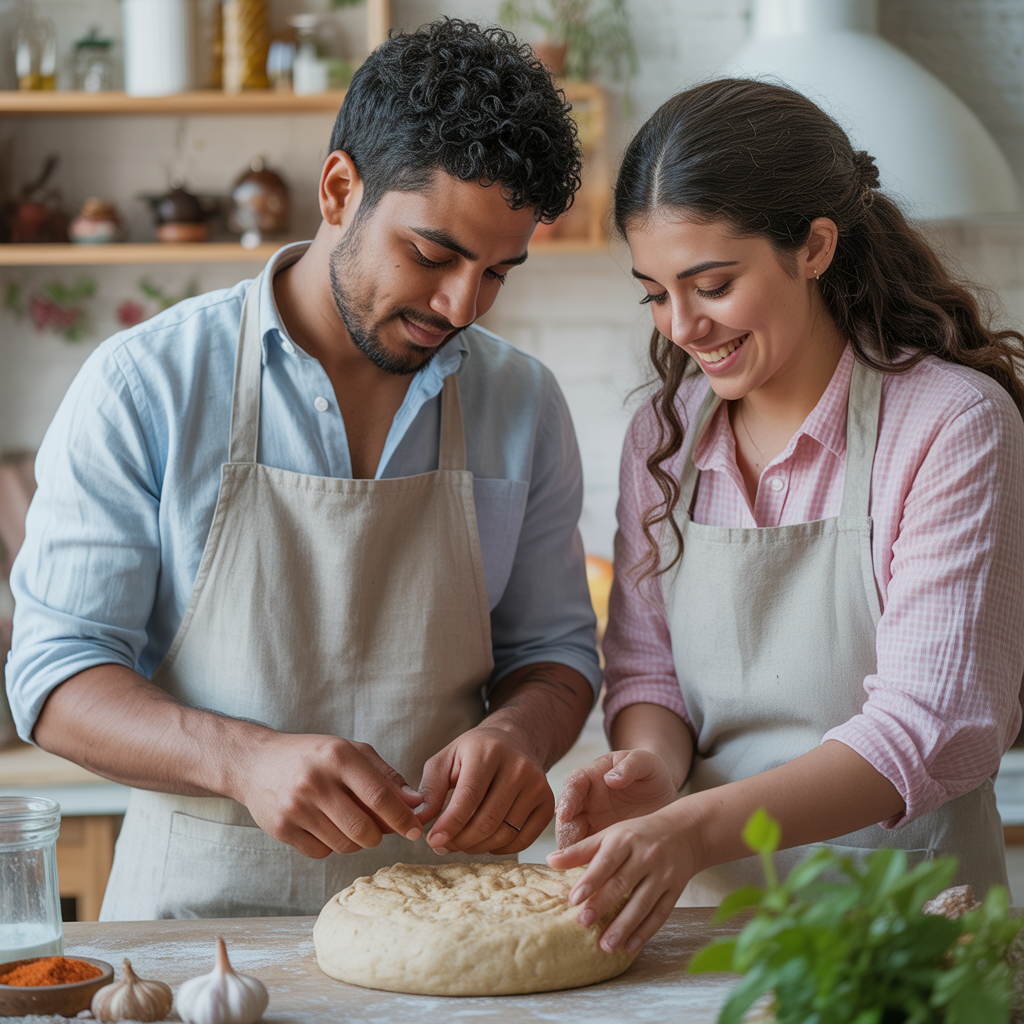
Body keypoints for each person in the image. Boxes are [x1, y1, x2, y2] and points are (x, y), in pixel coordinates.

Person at [5, 19, 602, 920]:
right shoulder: (147, 384)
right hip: (200, 938)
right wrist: (239, 758)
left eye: (497, 274)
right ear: (337, 190)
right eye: (432, 255)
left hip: (451, 927)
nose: (460, 305)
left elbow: (555, 655)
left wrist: (522, 731)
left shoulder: (523, 405)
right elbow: (53, 677)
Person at [549, 78, 1024, 956]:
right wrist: (650, 771)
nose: (683, 324)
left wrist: (692, 827)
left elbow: (930, 721)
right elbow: (648, 674)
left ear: (812, 247)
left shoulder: (952, 425)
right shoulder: (663, 434)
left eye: (713, 284)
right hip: (708, 931)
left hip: (912, 932)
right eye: (653, 292)